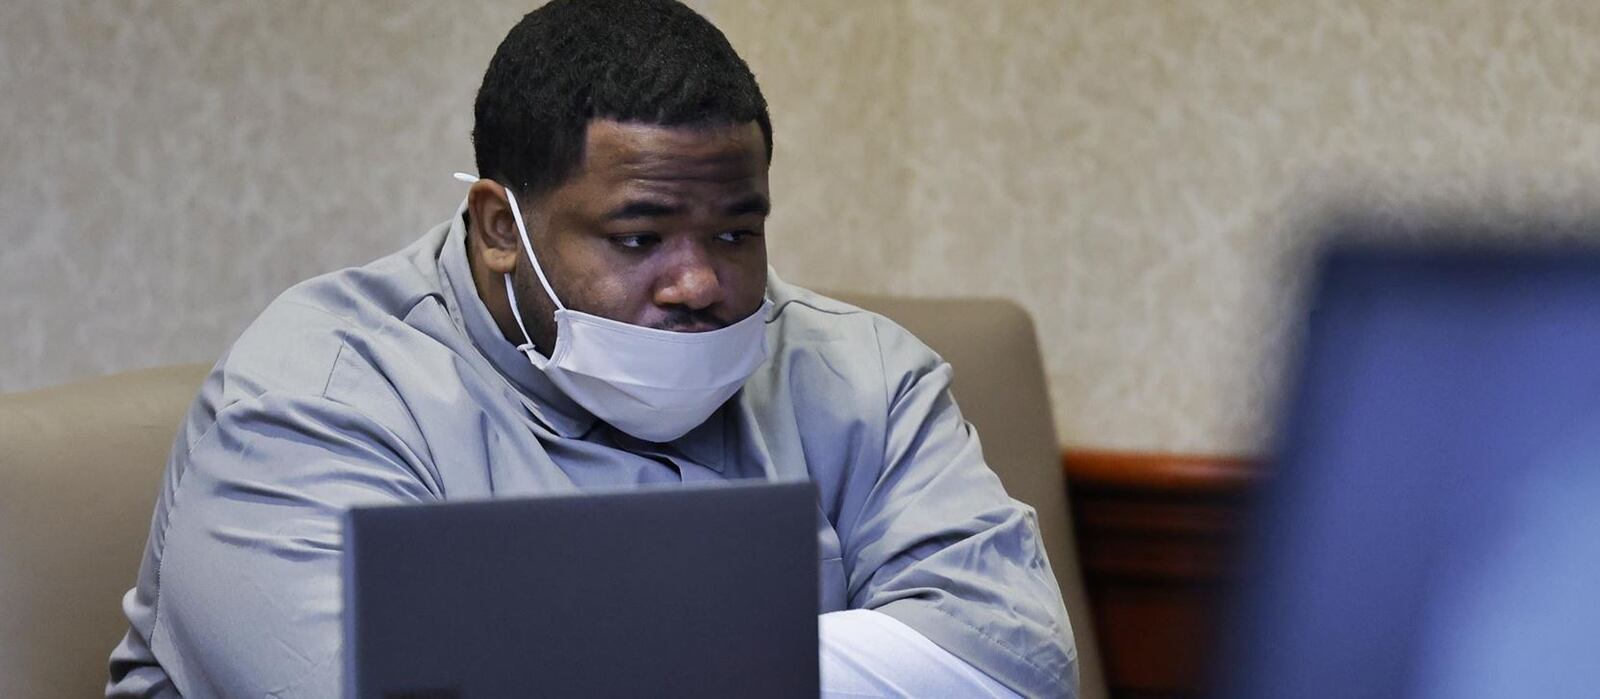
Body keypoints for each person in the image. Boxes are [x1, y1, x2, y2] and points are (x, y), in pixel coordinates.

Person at [106, 1, 1077, 696]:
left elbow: (1013, 661)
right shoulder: (313, 400)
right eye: (638, 238)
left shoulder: (861, 374)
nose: (698, 283)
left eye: (737, 231)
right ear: (499, 228)